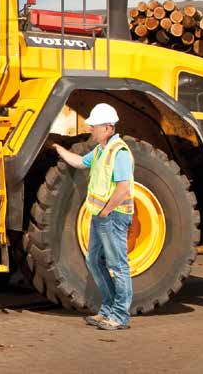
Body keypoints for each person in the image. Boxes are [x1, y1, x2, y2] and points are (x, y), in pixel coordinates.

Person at [52, 103, 134, 331]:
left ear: (108, 128)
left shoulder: (119, 151)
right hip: (100, 217)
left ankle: (120, 316)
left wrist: (106, 211)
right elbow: (79, 162)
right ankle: (107, 310)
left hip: (113, 217)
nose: (91, 129)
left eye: (95, 126)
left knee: (118, 266)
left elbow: (124, 187)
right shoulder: (100, 149)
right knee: (94, 261)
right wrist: (59, 149)